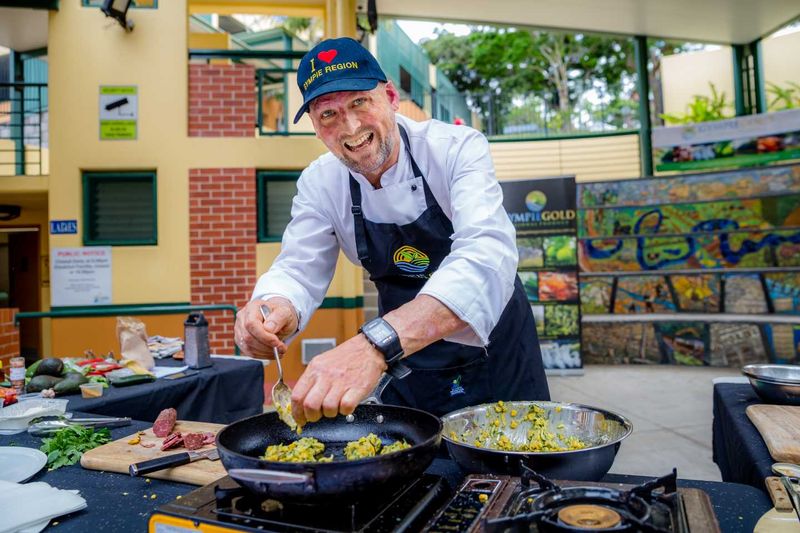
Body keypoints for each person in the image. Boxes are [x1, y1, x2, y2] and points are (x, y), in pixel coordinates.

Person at [234, 37, 549, 427]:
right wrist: (272, 307)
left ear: (391, 97)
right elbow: (298, 268)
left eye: (359, 103)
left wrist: (374, 345)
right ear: (315, 127)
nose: (349, 127)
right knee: (416, 469)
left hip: (495, 352)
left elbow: (485, 255)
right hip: (409, 364)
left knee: (518, 470)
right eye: (327, 114)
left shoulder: (455, 149)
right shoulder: (320, 182)